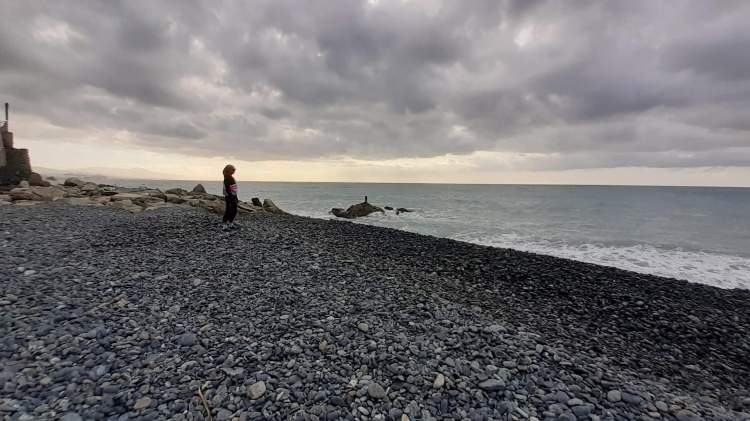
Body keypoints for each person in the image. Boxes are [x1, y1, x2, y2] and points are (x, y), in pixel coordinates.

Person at [222, 164, 240, 231]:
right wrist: (231, 197)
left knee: (233, 210)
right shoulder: (227, 178)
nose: (234, 171)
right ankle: (225, 225)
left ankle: (230, 223)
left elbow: (233, 189)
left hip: (233, 196)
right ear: (229, 170)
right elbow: (228, 189)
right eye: (233, 170)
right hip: (230, 196)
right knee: (229, 210)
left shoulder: (230, 177)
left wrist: (236, 197)